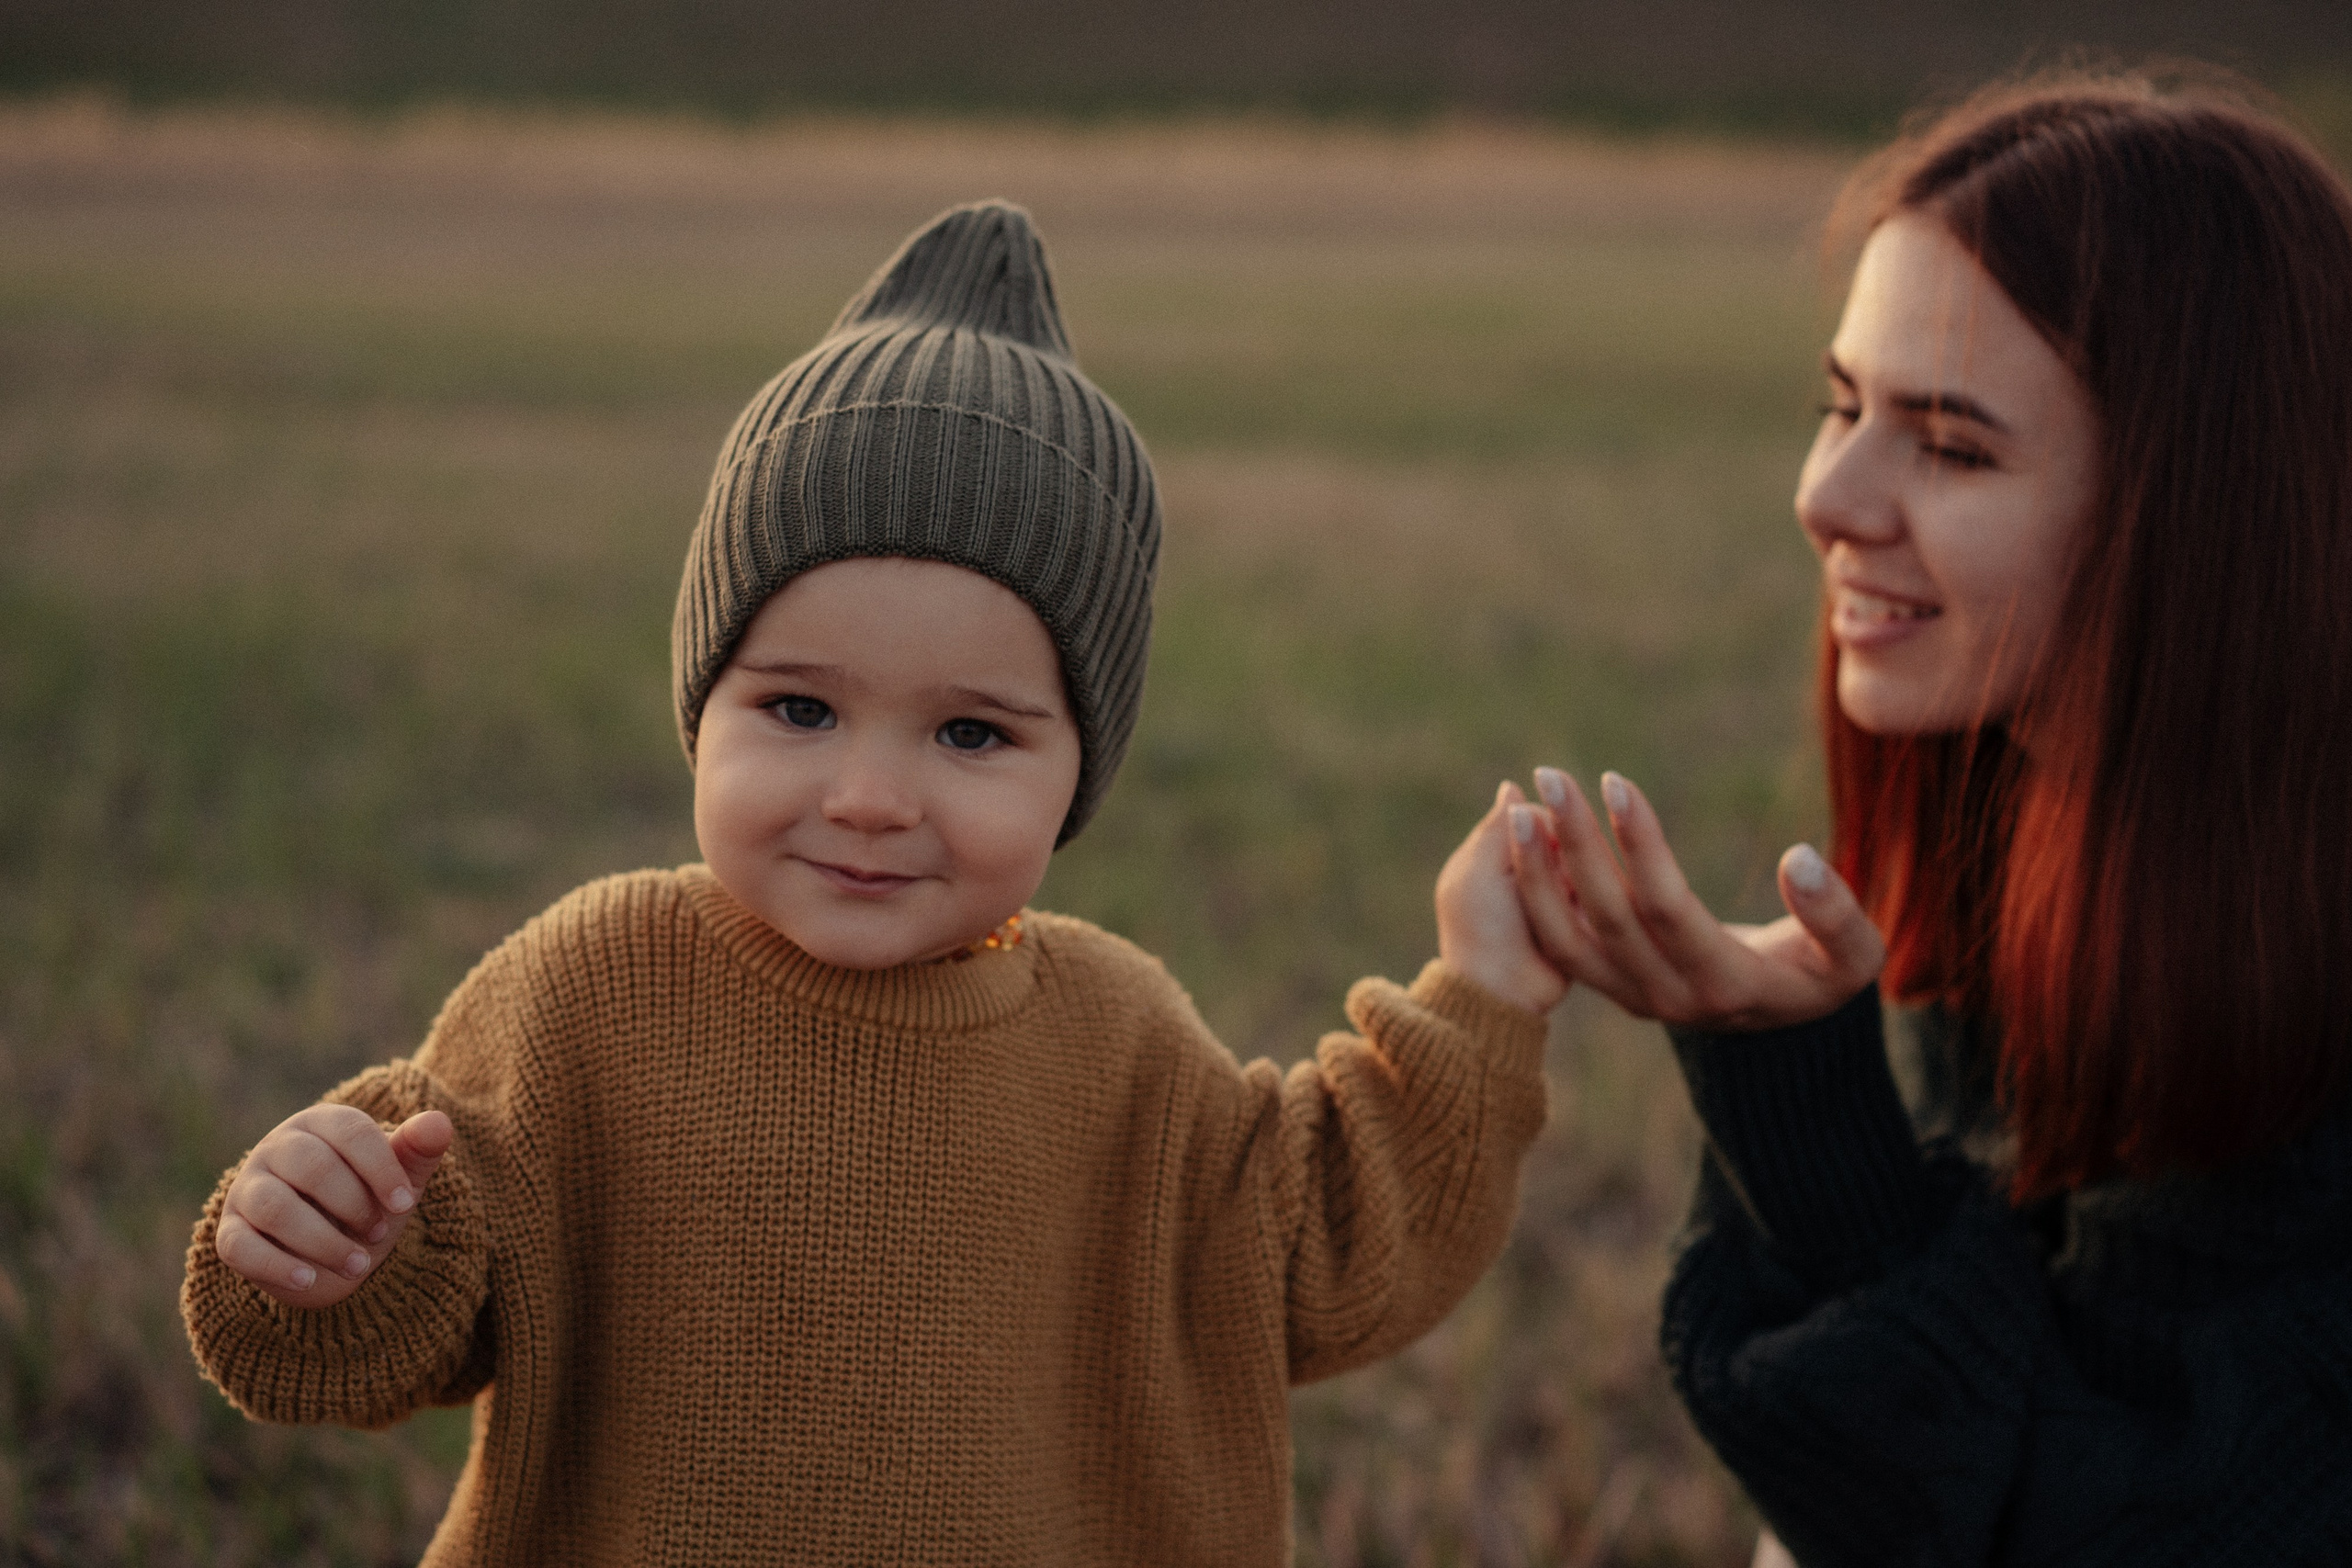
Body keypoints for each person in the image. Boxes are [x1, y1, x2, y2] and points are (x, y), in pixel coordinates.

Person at [179, 201, 1566, 1565]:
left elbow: (1324, 1244)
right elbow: (400, 1320)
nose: (869, 796)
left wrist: (1486, 985)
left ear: (1081, 765)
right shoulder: (585, 994)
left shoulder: (1123, 1046)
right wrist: (326, 1244)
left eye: (971, 734)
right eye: (798, 710)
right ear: (702, 698)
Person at [1503, 73, 2352, 1564]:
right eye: (1843, 406)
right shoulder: (2036, 820)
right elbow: (1918, 1488)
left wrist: (1816, 1122)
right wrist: (1790, 1083)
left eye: (1951, 446)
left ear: (2198, 511)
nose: (1827, 495)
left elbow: (2124, 1520)